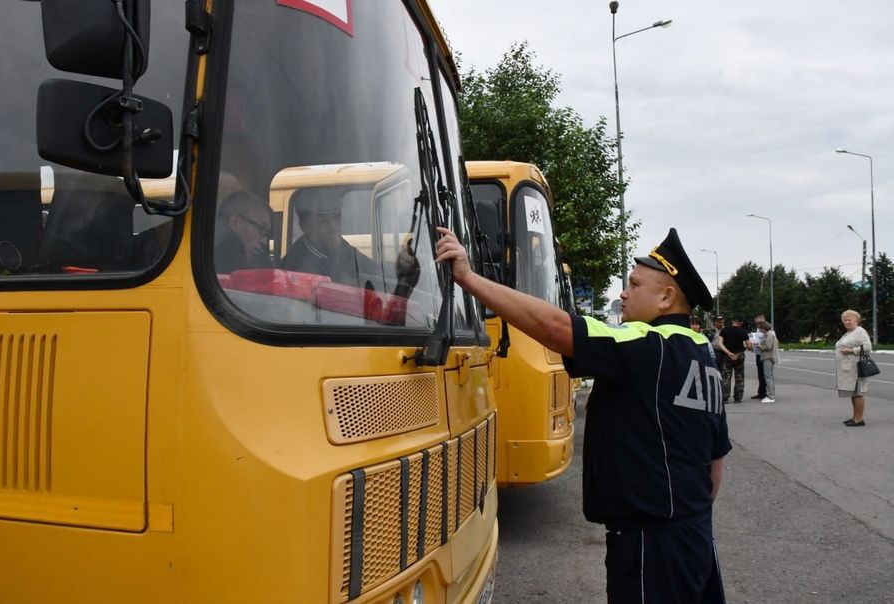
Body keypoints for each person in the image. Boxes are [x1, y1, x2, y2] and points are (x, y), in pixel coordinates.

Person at [435, 226, 729, 603]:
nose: (623, 293)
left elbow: (555, 327)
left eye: (635, 285)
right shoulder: (703, 356)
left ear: (666, 297)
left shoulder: (646, 343)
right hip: (695, 532)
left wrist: (468, 277)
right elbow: (715, 463)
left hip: (648, 542)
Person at [281, 188, 419, 296]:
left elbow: (371, 269)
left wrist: (400, 269)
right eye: (323, 221)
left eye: (337, 217)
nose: (334, 227)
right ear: (304, 226)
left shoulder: (337, 246)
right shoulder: (296, 266)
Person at [214, 191, 274, 273]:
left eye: (266, 233)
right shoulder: (220, 257)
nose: (263, 240)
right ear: (235, 222)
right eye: (260, 229)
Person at [835, 309, 872, 427]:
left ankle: (859, 419)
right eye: (844, 320)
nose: (846, 322)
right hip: (849, 369)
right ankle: (855, 417)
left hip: (856, 368)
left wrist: (851, 350)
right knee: (853, 394)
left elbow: (867, 348)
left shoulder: (860, 331)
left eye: (849, 319)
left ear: (856, 320)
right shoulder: (849, 333)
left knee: (858, 394)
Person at [717, 317, 749, 404]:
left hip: (726, 356)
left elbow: (720, 343)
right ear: (741, 322)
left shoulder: (724, 330)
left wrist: (728, 353)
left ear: (732, 321)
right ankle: (738, 397)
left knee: (726, 378)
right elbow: (749, 345)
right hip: (739, 356)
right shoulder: (743, 331)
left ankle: (725, 398)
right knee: (739, 377)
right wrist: (748, 347)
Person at [756, 319, 779, 403]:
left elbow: (768, 346)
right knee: (770, 377)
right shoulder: (769, 334)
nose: (760, 331)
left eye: (761, 329)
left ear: (764, 328)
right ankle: (771, 394)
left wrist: (759, 346)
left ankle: (770, 396)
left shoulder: (769, 335)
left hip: (768, 357)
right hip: (768, 357)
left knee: (768, 377)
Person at [749, 313, 768, 400]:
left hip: (765, 354)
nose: (756, 321)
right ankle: (761, 393)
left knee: (766, 375)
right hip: (758, 353)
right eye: (755, 320)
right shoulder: (757, 329)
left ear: (762, 319)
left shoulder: (768, 328)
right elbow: (755, 339)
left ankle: (766, 393)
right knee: (760, 374)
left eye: (758, 319)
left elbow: (772, 339)